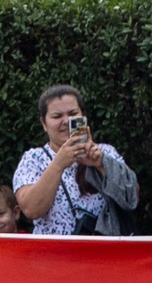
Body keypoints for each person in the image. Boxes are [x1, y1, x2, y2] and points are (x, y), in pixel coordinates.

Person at [14, 85, 140, 236]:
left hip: (103, 253)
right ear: (44, 123)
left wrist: (102, 165)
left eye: (73, 113)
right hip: (54, 256)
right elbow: (31, 209)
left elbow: (132, 197)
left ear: (83, 116)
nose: (66, 121)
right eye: (57, 116)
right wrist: (58, 164)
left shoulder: (105, 152)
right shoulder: (33, 159)